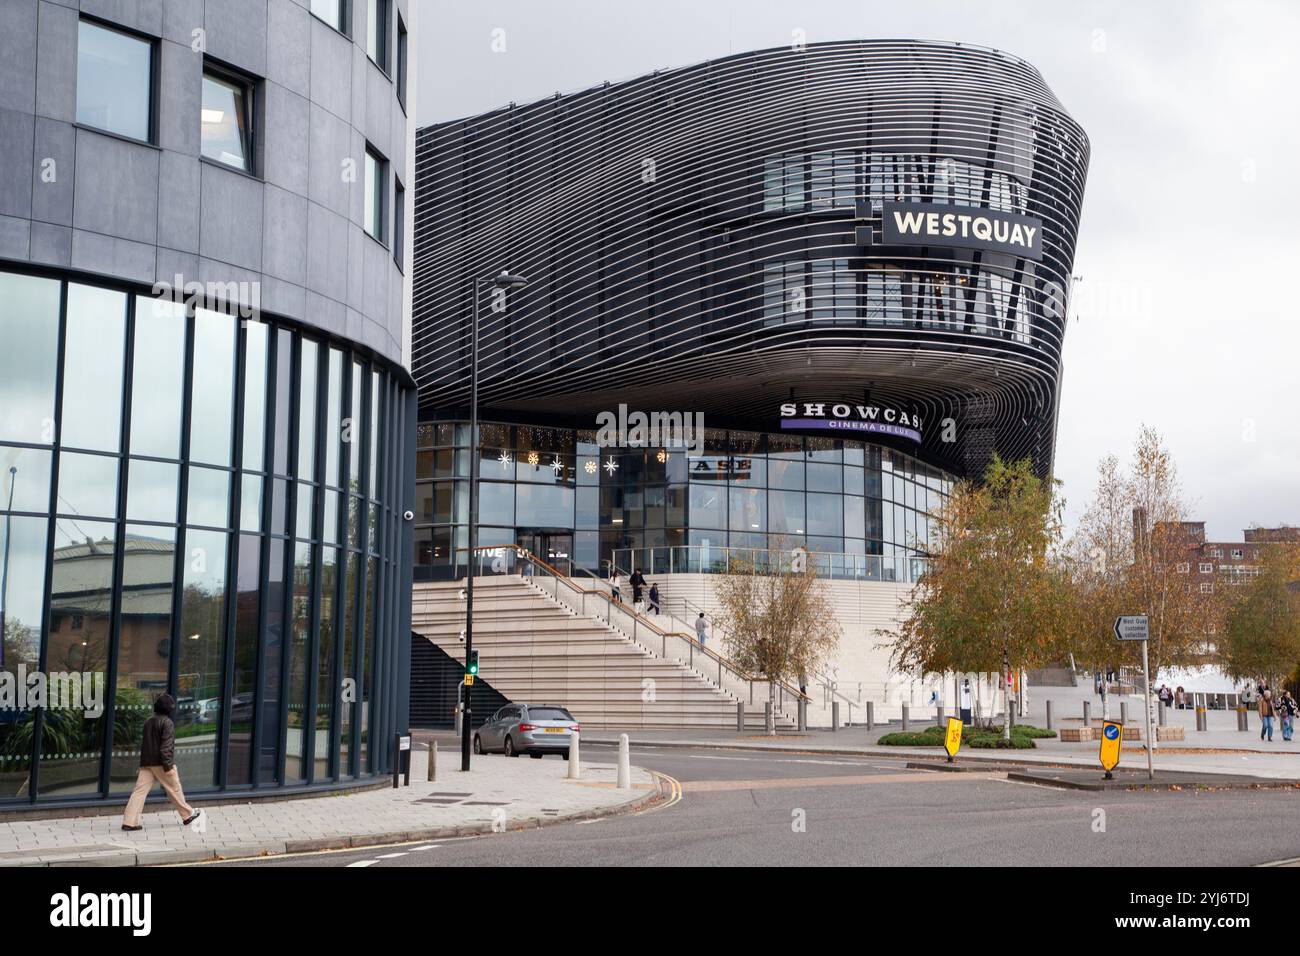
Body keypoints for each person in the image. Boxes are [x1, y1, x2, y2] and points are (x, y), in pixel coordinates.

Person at [122, 694, 203, 832]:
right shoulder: (167, 723)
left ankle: (129, 822)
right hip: (161, 763)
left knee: (139, 792)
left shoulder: (148, 721)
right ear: (169, 709)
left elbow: (145, 745)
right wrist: (168, 766)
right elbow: (166, 747)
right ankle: (187, 815)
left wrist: (142, 765)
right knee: (174, 787)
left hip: (147, 763)